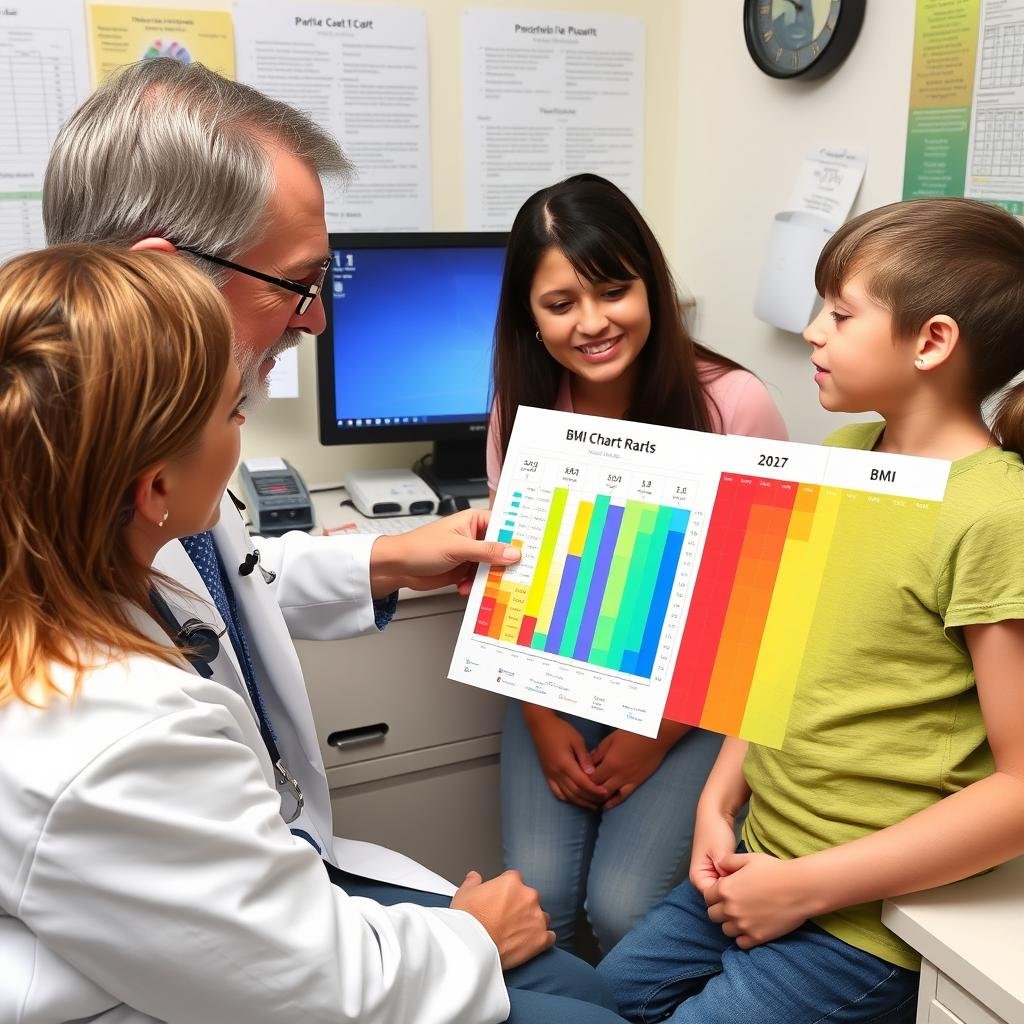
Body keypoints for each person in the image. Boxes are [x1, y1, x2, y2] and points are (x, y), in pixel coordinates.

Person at [31, 62, 623, 1022]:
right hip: (236, 976)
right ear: (166, 274)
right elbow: (307, 986)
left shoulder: (115, 466)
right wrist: (471, 936)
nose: (317, 316)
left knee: (581, 983)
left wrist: (390, 556)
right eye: (299, 284)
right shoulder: (97, 725)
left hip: (284, 897)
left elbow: (215, 583)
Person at [597, 196, 1024, 1023]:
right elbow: (774, 655)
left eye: (840, 312)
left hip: (859, 920)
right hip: (758, 859)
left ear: (932, 341)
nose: (813, 333)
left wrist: (804, 888)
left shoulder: (995, 516)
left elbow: (1018, 788)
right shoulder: (836, 458)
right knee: (591, 1001)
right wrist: (718, 804)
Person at [488, 173, 788, 954]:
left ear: (651, 286)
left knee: (624, 908)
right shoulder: (520, 406)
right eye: (560, 304)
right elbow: (508, 575)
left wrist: (657, 733)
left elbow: (761, 605)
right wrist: (541, 719)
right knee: (541, 902)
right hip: (554, 679)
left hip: (691, 697)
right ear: (529, 313)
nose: (592, 323)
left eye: (613, 291)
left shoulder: (736, 405)